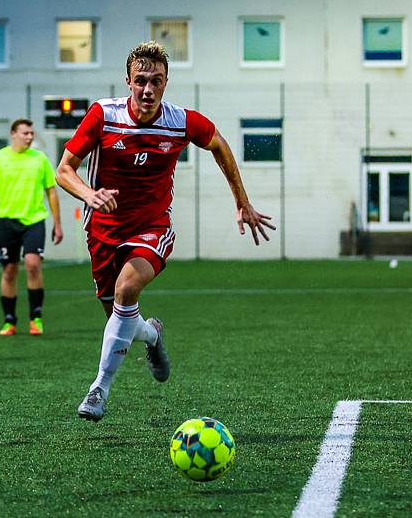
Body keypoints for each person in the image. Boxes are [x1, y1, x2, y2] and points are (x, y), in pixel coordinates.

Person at [56, 41, 276, 421]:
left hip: (152, 228)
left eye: (156, 81)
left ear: (166, 82)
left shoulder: (181, 121)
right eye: (141, 80)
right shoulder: (101, 116)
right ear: (127, 81)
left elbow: (219, 144)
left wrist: (242, 200)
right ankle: (152, 335)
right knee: (119, 317)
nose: (148, 89)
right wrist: (89, 194)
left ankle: (99, 390)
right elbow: (63, 170)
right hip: (103, 231)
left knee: (127, 290)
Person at [0, 119, 63, 336]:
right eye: (25, 133)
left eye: (31, 133)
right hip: (7, 222)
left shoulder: (40, 159)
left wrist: (57, 223)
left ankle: (36, 318)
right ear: (13, 133)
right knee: (10, 270)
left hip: (34, 221)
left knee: (32, 264)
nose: (30, 137)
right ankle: (9, 320)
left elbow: (51, 191)